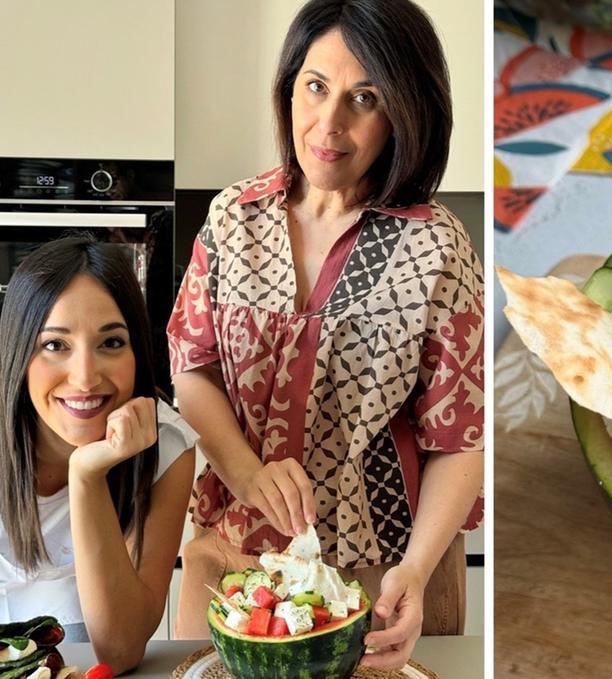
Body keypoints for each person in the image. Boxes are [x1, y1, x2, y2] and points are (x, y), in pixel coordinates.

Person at [168, 0, 484, 669]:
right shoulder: (232, 219)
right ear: (289, 88)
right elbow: (193, 369)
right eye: (315, 87)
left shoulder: (438, 247)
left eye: (365, 99)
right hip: (234, 558)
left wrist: (416, 569)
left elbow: (461, 438)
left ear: (404, 111)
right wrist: (246, 472)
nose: (329, 123)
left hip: (387, 571)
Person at [0, 237, 197, 673]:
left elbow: (120, 649)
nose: (85, 378)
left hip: (74, 654)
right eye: (55, 345)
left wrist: (87, 474)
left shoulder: (166, 448)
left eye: (111, 342)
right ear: (18, 353)